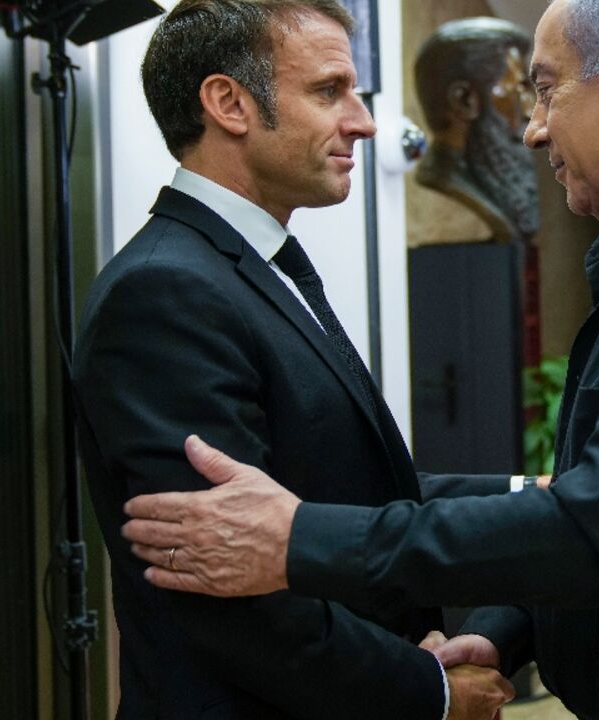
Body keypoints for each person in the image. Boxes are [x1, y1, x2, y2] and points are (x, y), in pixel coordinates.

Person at [121, 1, 599, 718]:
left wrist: (297, 540)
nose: (534, 128)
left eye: (545, 88)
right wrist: (505, 630)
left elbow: (596, 525)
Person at [71, 0, 513, 717]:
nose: (364, 121)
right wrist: (429, 692)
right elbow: (228, 591)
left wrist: (546, 496)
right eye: (328, 90)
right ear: (228, 103)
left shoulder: (248, 265)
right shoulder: (164, 292)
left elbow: (347, 490)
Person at [413, 17, 540, 244]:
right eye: (518, 90)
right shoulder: (446, 178)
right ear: (464, 101)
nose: (530, 111)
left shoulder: (492, 178)